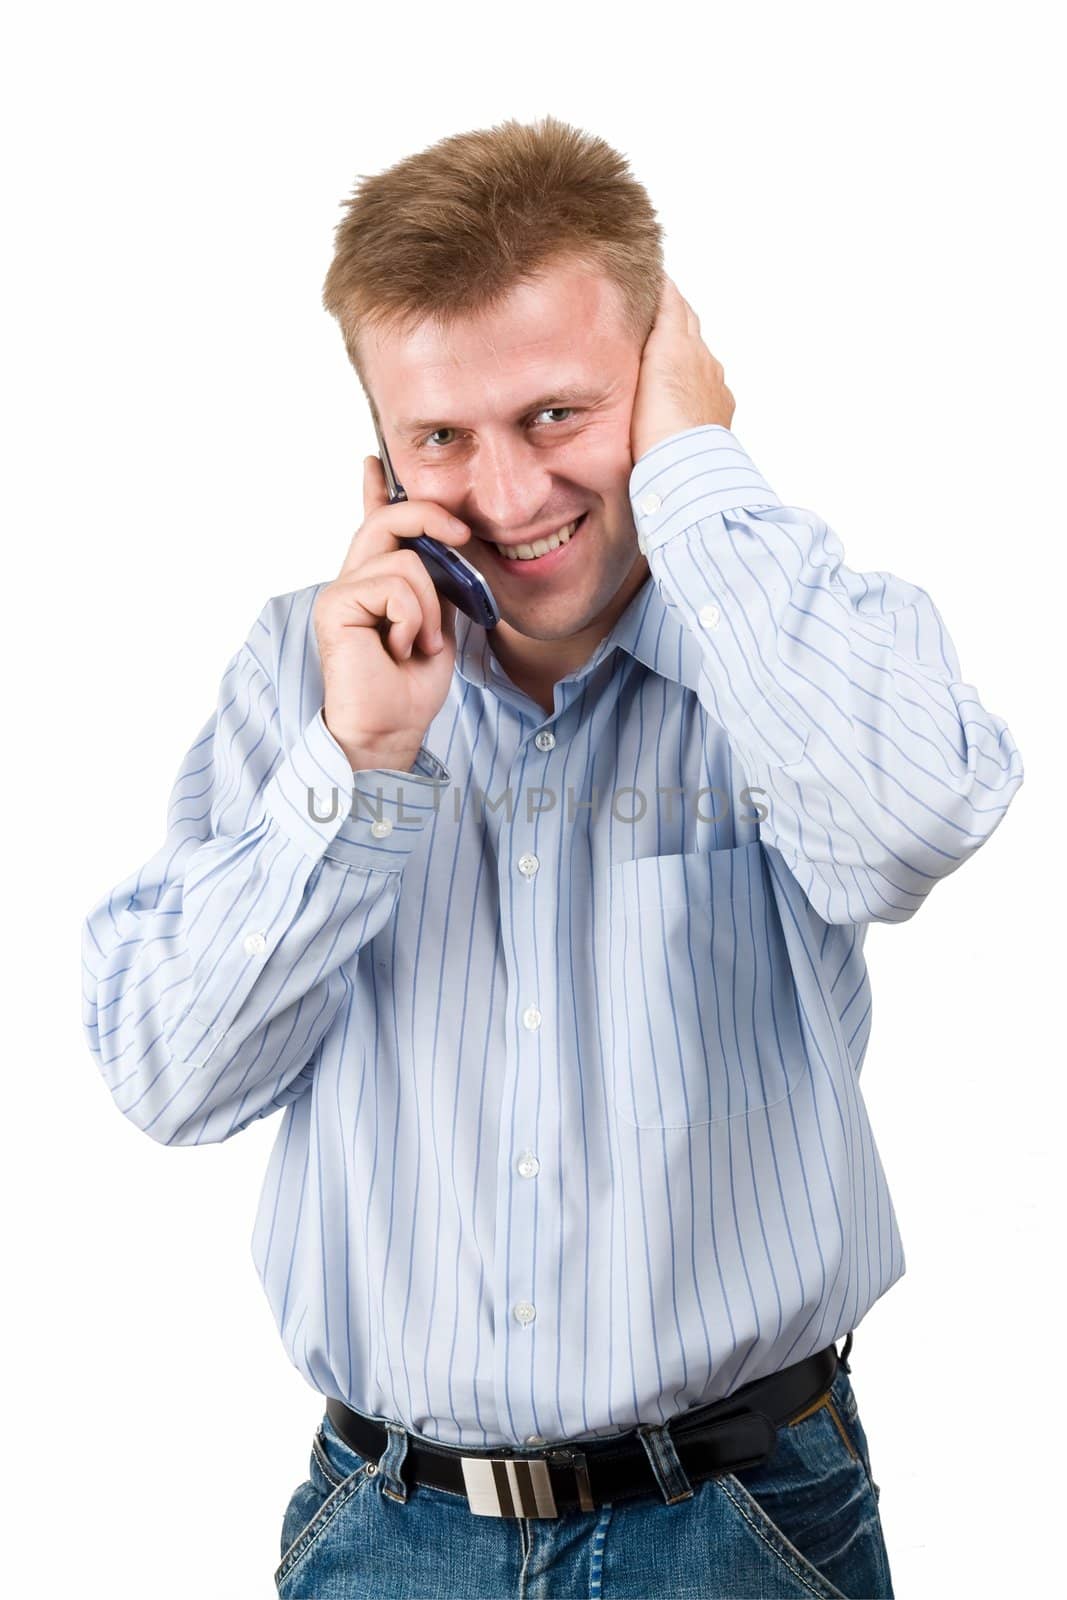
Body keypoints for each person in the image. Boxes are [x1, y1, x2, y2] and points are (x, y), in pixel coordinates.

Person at [80, 115, 1024, 1599]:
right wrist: (359, 767)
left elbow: (911, 832)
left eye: (559, 418)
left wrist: (701, 480)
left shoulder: (790, 634)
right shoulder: (298, 675)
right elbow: (165, 1074)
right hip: (390, 1533)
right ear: (380, 451)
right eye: (444, 436)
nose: (514, 502)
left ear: (661, 382)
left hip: (744, 1527)